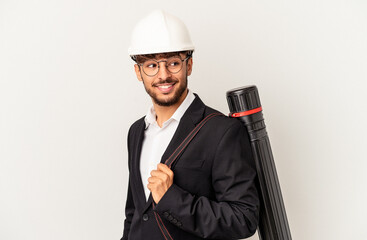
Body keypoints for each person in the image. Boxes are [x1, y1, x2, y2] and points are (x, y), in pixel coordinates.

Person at [121, 10, 259, 240]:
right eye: (152, 65)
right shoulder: (136, 132)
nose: (163, 75)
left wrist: (171, 199)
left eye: (173, 62)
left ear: (189, 65)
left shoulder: (222, 132)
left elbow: (243, 218)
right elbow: (135, 214)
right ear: (138, 71)